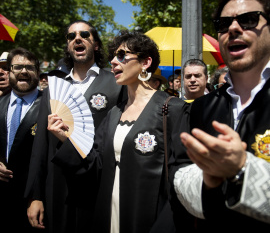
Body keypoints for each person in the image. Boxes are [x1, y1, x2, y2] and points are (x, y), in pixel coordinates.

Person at [48, 30, 188, 233]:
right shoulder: (114, 112)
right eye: (113, 56)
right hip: (108, 213)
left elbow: (181, 175)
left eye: (122, 56)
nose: (113, 61)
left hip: (149, 217)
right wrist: (66, 139)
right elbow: (95, 165)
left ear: (145, 63)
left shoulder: (172, 109)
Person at [171, 0, 270, 231]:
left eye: (248, 20)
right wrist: (209, 180)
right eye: (224, 24)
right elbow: (180, 172)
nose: (233, 28)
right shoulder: (202, 107)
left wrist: (242, 169)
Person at [25, 20, 127, 233]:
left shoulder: (116, 83)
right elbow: (40, 146)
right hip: (57, 184)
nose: (77, 39)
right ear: (68, 45)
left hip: (97, 184)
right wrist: (36, 196)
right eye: (71, 36)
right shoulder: (54, 86)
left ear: (96, 44)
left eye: (84, 34)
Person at [0, 47, 42, 232]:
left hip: (34, 205)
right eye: (17, 67)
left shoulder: (52, 105)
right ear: (9, 72)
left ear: (38, 73)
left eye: (29, 67)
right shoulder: (0, 103)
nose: (24, 71)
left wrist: (39, 196)